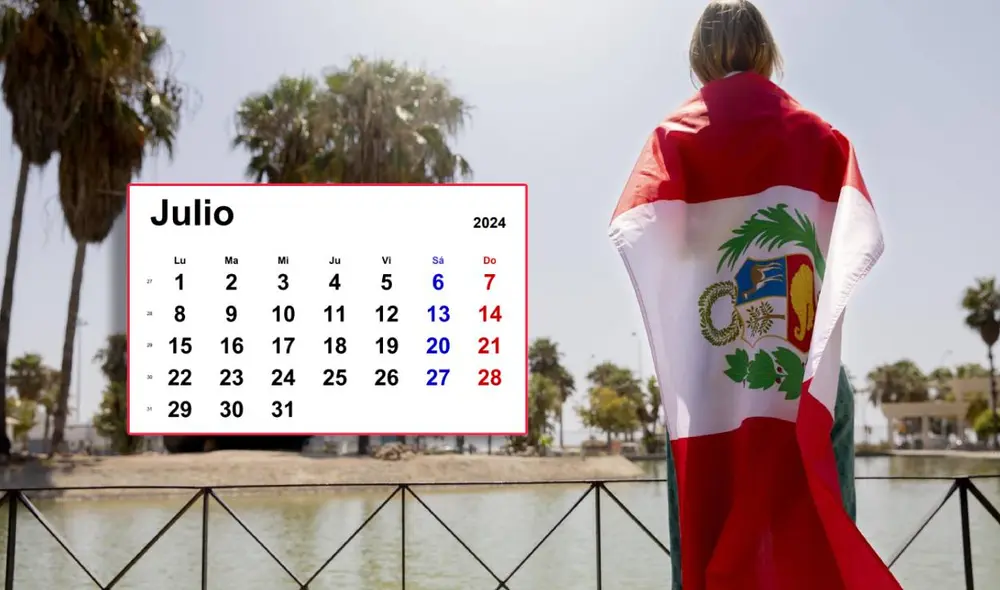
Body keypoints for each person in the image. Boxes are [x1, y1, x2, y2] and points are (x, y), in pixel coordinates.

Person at [609, 2, 898, 589]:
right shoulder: (820, 137)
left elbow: (641, 232)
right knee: (817, 534)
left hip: (709, 379)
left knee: (704, 531)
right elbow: (853, 233)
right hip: (806, 371)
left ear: (698, 58)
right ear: (767, 50)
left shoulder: (673, 140)